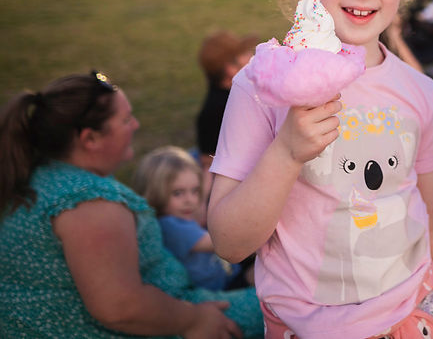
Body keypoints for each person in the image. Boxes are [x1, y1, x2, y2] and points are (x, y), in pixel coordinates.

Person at [207, 0, 433, 338]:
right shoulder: (261, 85)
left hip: (415, 313)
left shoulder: (418, 91)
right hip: (306, 325)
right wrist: (287, 152)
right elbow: (230, 244)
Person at [0, 71, 262, 338]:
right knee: (287, 303)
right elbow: (120, 307)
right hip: (165, 321)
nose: (136, 124)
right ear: (90, 139)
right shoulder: (89, 203)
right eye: (125, 119)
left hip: (167, 309)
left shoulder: (40, 174)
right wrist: (193, 321)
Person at [132, 146, 248, 292]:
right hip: (218, 288)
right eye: (178, 193)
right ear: (155, 194)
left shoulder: (180, 217)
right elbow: (220, 242)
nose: (190, 200)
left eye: (194, 191)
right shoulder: (170, 225)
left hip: (226, 275)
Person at [195, 29, 259, 176]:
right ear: (230, 68)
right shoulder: (220, 109)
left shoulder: (234, 95)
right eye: (244, 54)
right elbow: (208, 162)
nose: (251, 56)